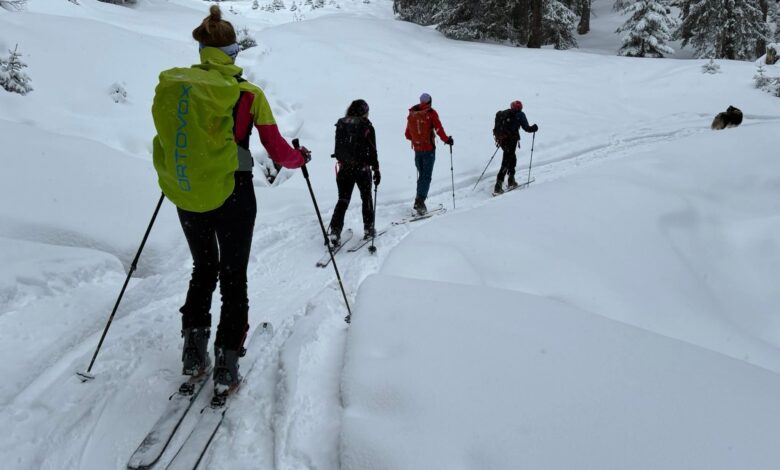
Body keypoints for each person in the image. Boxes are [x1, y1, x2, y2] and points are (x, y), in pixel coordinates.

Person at [152, 5, 310, 396]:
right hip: (235, 193)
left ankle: (193, 353)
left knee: (203, 268)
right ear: (232, 54)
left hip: (188, 191)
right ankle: (226, 362)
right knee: (233, 275)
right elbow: (276, 149)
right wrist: (300, 158)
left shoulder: (180, 86)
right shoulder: (247, 94)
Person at [327, 99, 380, 246]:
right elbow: (373, 150)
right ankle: (369, 229)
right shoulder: (366, 125)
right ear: (363, 111)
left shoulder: (342, 123)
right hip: (362, 169)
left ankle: (335, 231)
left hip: (344, 168)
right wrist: (376, 169)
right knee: (366, 198)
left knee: (343, 200)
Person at [404, 93, 453, 215]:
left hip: (417, 150)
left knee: (422, 176)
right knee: (426, 176)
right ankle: (420, 202)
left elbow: (407, 134)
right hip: (428, 150)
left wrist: (417, 138)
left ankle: (418, 199)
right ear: (430, 102)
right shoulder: (431, 113)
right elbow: (439, 129)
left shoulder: (412, 114)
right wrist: (447, 140)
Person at [492, 100, 538, 194]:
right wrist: (534, 128)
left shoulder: (504, 113)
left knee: (512, 159)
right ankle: (498, 186)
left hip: (502, 141)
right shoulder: (520, 115)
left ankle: (511, 181)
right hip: (511, 141)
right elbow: (527, 128)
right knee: (507, 162)